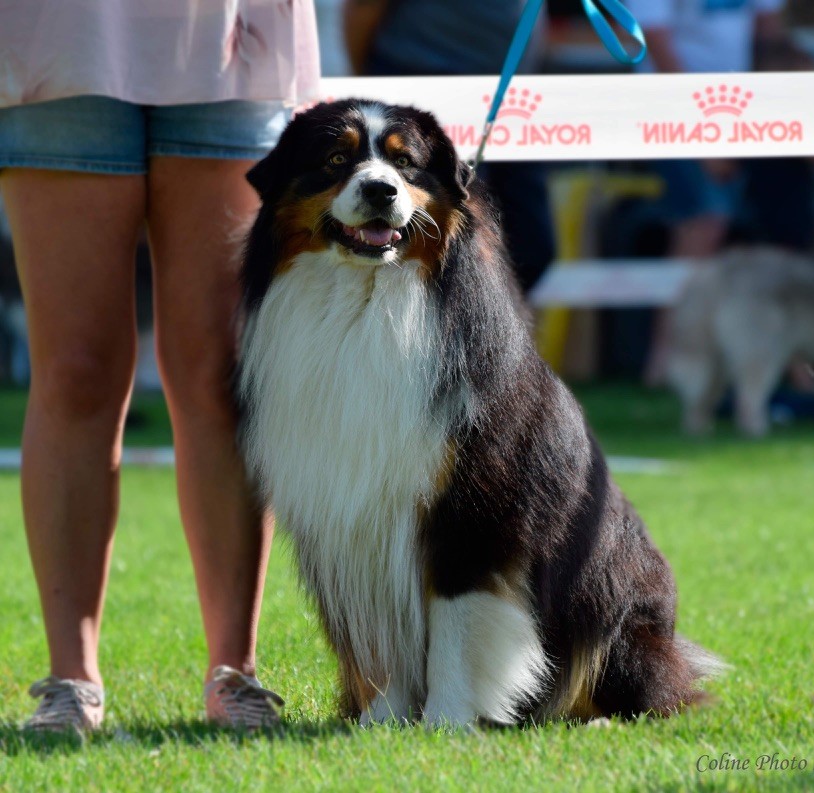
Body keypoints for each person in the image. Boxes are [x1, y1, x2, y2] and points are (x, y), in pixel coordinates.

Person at [0, 1, 319, 732]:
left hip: (226, 38)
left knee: (220, 373)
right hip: (59, 34)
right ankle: (69, 681)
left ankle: (234, 674)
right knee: (76, 370)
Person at [344, 0, 556, 294]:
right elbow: (362, 9)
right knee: (453, 247)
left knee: (530, 248)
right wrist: (371, 93)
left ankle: (487, 330)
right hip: (421, 85)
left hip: (513, 94)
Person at [626, 0, 787, 384]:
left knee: (746, 233)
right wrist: (702, 133)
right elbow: (655, 40)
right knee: (701, 230)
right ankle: (668, 362)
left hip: (742, 109)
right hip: (671, 112)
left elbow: (771, 31)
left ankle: (749, 363)